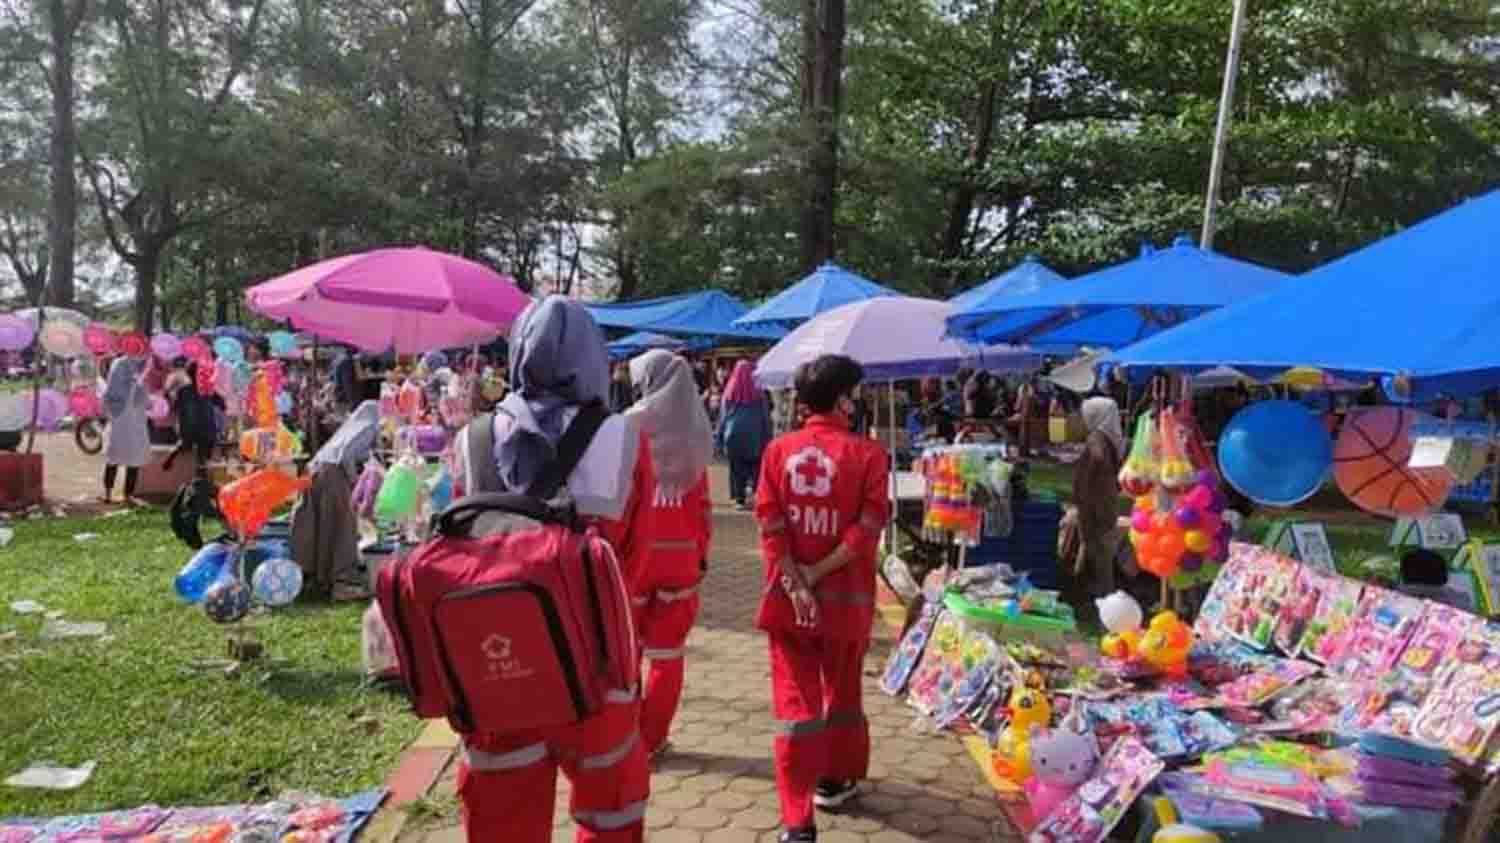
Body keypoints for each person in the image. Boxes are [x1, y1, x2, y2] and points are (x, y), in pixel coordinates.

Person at [450, 296, 654, 843]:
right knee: (610, 813)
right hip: (599, 664)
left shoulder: (472, 440)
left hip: (499, 666)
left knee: (502, 818)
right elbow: (637, 558)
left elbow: (455, 542)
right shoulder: (626, 440)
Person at [753, 354, 891, 843]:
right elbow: (867, 528)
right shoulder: (870, 456)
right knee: (844, 697)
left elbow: (770, 527)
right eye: (853, 394)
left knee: (795, 710)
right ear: (841, 399)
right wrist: (818, 572)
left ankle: (797, 824)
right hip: (847, 603)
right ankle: (835, 779)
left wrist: (795, 580)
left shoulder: (776, 452)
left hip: (788, 606)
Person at [625, 350, 713, 758]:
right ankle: (653, 739)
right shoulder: (696, 432)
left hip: (633, 558)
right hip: (681, 559)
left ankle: (625, 736)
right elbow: (704, 505)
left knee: (628, 653)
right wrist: (701, 555)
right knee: (667, 655)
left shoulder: (626, 427)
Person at [291, 401, 378, 600]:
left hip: (316, 471)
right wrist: (355, 482)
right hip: (333, 474)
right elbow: (346, 456)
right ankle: (342, 580)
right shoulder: (366, 427)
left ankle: (315, 577)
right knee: (342, 527)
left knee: (319, 526)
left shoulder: (348, 429)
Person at [1070, 396, 1125, 601]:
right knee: (1102, 544)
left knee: (1097, 545)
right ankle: (1101, 588)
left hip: (1095, 498)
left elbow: (1098, 458)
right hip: (1105, 496)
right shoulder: (1110, 436)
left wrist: (1085, 478)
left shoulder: (1097, 437)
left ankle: (1104, 591)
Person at [719, 360, 772, 510]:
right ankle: (758, 495)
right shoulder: (759, 393)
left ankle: (739, 499)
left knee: (736, 468)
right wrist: (768, 437)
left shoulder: (728, 393)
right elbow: (765, 418)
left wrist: (719, 439)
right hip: (755, 436)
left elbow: (723, 418)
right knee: (755, 467)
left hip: (733, 436)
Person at [162, 360, 225, 474]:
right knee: (204, 452)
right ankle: (200, 474)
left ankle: (176, 451)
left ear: (188, 374)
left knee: (185, 441)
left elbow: (175, 407)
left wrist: (168, 396)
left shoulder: (182, 390)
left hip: (188, 430)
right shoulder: (208, 389)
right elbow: (222, 405)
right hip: (207, 429)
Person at [101, 355, 150, 504]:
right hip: (133, 419)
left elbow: (109, 394)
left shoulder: (120, 363)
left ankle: (109, 494)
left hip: (121, 417)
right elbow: (147, 398)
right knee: (131, 459)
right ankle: (126, 495)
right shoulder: (144, 365)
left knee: (113, 457)